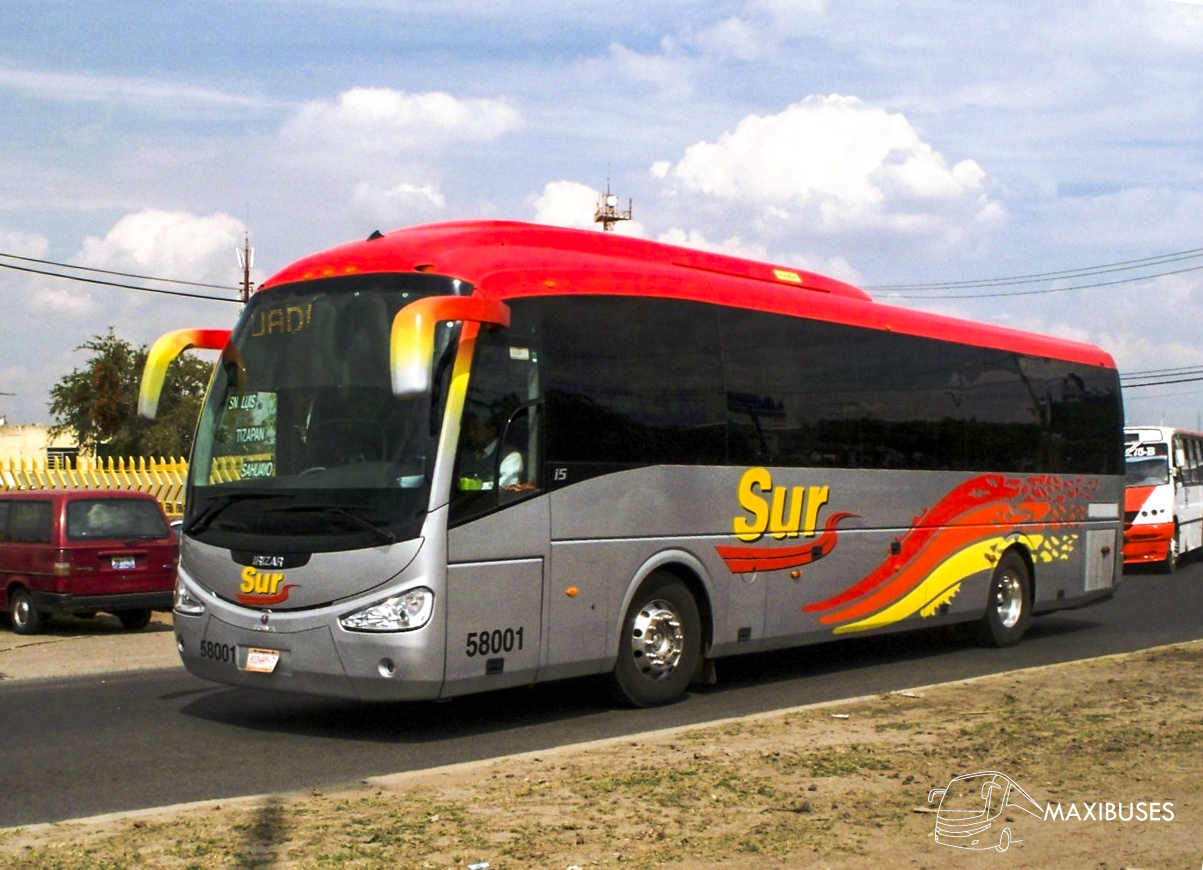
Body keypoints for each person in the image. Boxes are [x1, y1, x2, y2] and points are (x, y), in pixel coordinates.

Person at [457, 410, 523, 491]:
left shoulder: (511, 456)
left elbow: (504, 489)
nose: (471, 434)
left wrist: (475, 486)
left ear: (491, 431)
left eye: (475, 429)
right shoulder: (466, 454)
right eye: (470, 430)